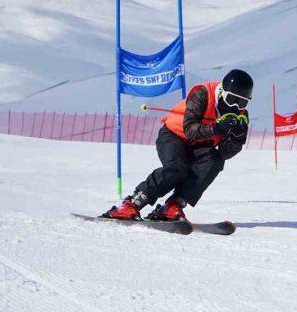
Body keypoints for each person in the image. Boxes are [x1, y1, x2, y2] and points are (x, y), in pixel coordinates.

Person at [104, 69, 254, 221]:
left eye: (242, 102)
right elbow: (189, 129)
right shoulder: (203, 94)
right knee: (177, 168)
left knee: (214, 161)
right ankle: (132, 203)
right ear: (222, 92)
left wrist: (237, 138)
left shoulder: (240, 115)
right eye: (231, 99)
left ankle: (173, 205)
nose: (234, 107)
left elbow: (224, 153)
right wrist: (216, 128)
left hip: (199, 145)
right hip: (174, 135)